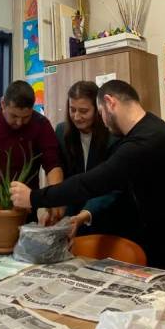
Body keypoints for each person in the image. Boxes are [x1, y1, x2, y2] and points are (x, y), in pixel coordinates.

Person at [11, 80, 165, 281]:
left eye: (100, 112)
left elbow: (93, 182)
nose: (102, 121)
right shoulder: (148, 128)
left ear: (109, 103)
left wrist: (34, 197)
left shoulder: (144, 141)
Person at [0, 80, 63, 246]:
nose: (19, 123)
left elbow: (53, 166)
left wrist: (56, 200)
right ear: (3, 104)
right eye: (14, 116)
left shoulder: (41, 126)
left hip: (24, 214)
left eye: (26, 117)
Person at [55, 80, 122, 238]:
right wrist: (53, 205)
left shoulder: (114, 135)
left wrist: (86, 213)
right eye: (72, 110)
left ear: (98, 109)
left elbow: (114, 185)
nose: (77, 117)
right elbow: (63, 176)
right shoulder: (62, 131)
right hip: (72, 216)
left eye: (84, 111)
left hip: (107, 217)